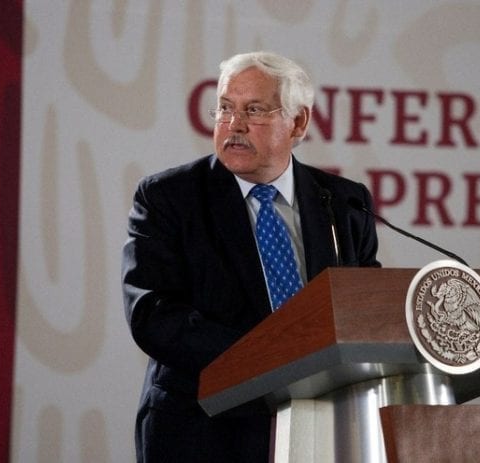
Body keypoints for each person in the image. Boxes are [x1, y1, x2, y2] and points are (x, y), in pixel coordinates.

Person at [121, 51, 380, 463]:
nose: (234, 125)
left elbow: (365, 308)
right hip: (203, 431)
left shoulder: (343, 202)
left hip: (322, 428)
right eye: (225, 108)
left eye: (254, 110)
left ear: (299, 122)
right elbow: (152, 313)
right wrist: (273, 359)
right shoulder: (169, 198)